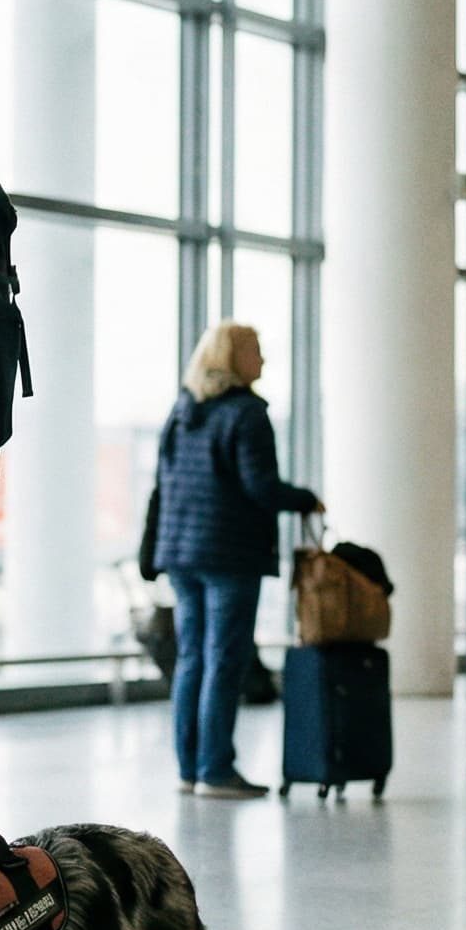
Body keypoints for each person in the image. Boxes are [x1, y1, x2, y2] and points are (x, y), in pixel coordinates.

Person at [150, 323, 323, 798]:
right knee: (225, 660)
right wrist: (306, 499)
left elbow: (163, 481)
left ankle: (189, 768)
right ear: (234, 358)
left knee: (191, 659)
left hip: (181, 550)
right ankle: (216, 769)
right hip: (228, 552)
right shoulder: (247, 413)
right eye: (257, 352)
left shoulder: (182, 410)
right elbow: (260, 486)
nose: (263, 361)